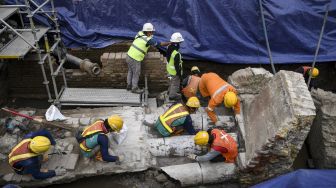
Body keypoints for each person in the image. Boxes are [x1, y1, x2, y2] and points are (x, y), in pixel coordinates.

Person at [126, 23, 171, 94]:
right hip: (135, 58)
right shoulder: (148, 40)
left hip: (128, 55)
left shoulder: (139, 33)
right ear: (148, 32)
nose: (152, 33)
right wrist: (169, 43)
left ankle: (129, 85)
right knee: (136, 73)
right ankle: (134, 88)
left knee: (130, 71)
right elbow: (160, 44)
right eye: (152, 32)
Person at [166, 32, 184, 100]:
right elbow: (177, 66)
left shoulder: (169, 47)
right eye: (180, 42)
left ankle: (169, 92)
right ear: (177, 43)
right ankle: (172, 96)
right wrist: (179, 75)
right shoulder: (176, 54)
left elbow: (168, 59)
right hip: (174, 72)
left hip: (169, 70)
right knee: (175, 84)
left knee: (171, 82)